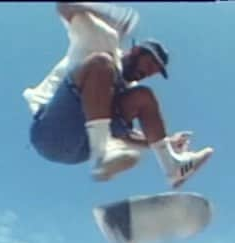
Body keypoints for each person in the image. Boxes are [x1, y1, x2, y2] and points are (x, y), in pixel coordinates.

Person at [24, 2, 214, 188]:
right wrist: (106, 13)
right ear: (136, 52)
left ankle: (172, 166)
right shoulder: (103, 38)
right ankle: (103, 150)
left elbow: (126, 135)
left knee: (143, 97)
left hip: (81, 150)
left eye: (150, 73)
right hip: (50, 130)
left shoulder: (129, 86)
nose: (145, 74)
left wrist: (167, 143)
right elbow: (63, 6)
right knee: (102, 63)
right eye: (147, 66)